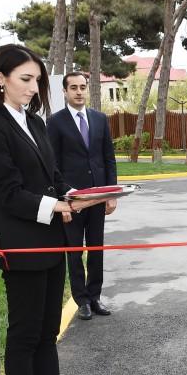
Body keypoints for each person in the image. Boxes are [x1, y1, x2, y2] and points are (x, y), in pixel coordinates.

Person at [0, 44, 105, 375]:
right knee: (25, 334)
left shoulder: (34, 122)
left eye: (36, 81)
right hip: (21, 243)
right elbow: (7, 192)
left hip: (52, 241)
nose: (33, 88)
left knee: (48, 333)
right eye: (25, 79)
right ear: (1, 78)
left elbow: (53, 176)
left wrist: (75, 196)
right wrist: (56, 208)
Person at [47, 72, 118, 321]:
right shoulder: (55, 122)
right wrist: (64, 196)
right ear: (65, 92)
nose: (79, 92)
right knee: (75, 250)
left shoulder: (99, 119)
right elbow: (52, 163)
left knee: (96, 248)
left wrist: (111, 194)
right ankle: (82, 300)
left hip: (98, 196)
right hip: (73, 199)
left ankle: (95, 296)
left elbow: (108, 158)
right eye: (74, 88)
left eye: (83, 87)